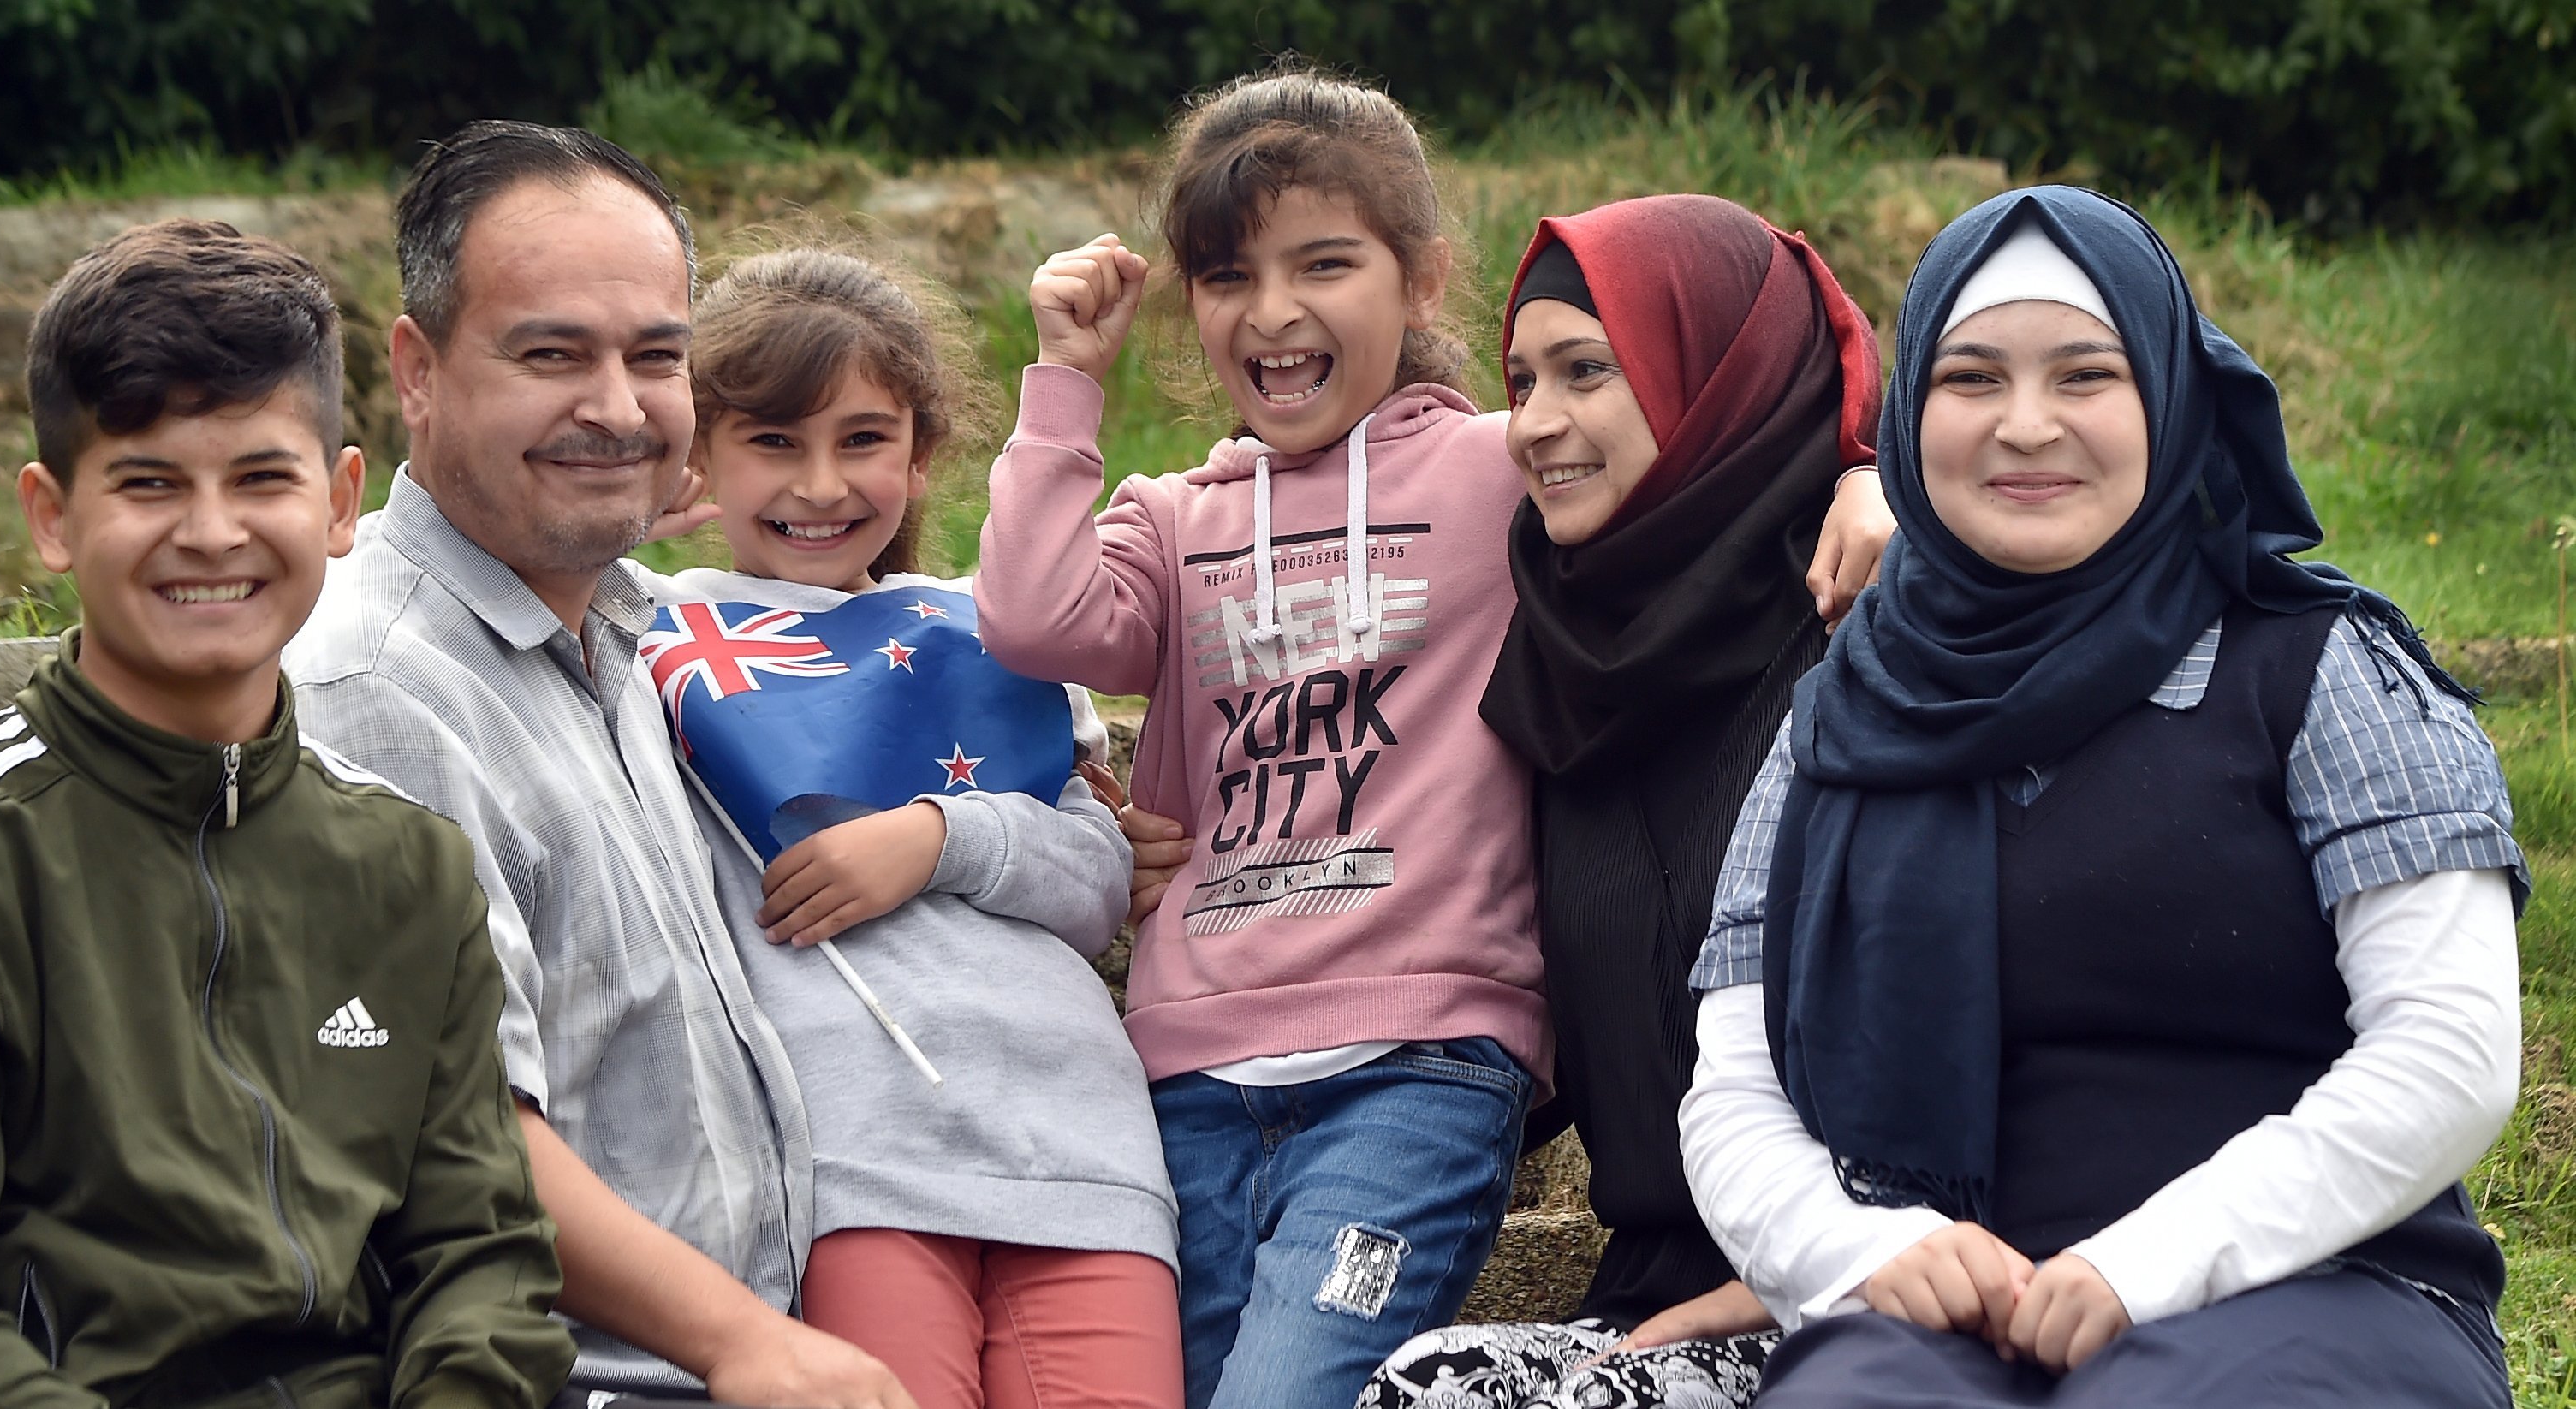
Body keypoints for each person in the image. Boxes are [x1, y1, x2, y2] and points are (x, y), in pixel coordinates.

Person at [1680, 185, 2521, 1407]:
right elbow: (1735, 1085)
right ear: (1912, 417)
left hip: (2320, 1290)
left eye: (2086, 376)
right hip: (1948, 1318)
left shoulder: (2316, 666)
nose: (2027, 425)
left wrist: (2148, 1263)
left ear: (2172, 401)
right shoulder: (1839, 716)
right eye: (1971, 379)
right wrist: (1860, 1251)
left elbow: (2451, 1048)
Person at [0, 217, 577, 1409]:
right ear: (53, 516)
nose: (211, 531)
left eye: (261, 476)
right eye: (149, 481)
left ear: (338, 500)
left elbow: (484, 1259)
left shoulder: (408, 865)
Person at [282, 123, 912, 1409]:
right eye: (553, 354)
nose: (620, 407)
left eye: (656, 358)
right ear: (416, 369)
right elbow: (445, 1127)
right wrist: (748, 1342)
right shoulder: (375, 688)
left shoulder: (628, 630)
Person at [972, 67, 1551, 1409]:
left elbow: (1712, 430)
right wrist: (1065, 381)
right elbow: (1030, 614)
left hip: (1418, 1070)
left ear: (1419, 282)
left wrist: (1869, 476)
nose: (1274, 312)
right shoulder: (1176, 518)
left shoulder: (1495, 469)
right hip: (1189, 1076)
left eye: (1326, 263)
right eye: (1228, 275)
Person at [632, 244, 1182, 1409]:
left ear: (923, 450)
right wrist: (630, 515)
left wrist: (935, 838)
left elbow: (1096, 877)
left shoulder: (995, 630)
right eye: (773, 441)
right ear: (698, 450)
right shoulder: (647, 639)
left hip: (1080, 1144)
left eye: (865, 439)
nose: (822, 485)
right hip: (851, 1164)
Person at [1359, 194, 1888, 1409]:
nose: (1533, 424)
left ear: (1718, 377)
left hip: (1876, 1283)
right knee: (1421, 1385)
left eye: (1586, 371)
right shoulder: (1554, 673)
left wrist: (1880, 465)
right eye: (1520, 379)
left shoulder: (1867, 632)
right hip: (1654, 1289)